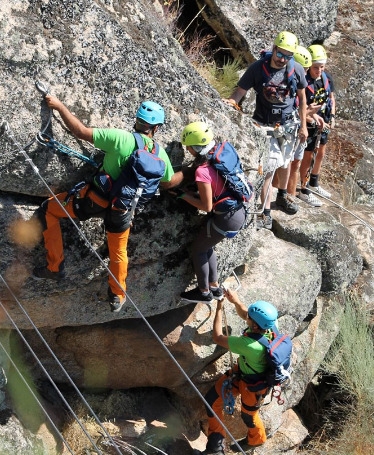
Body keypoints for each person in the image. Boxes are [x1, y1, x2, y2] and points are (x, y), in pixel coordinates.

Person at [33, 96, 183, 312]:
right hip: (123, 210)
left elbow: (81, 132)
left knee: (49, 209)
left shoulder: (120, 138)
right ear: (156, 128)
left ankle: (54, 266)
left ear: (137, 120)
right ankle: (117, 295)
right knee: (119, 251)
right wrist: (187, 172)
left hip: (93, 201)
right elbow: (169, 181)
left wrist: (59, 106)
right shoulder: (160, 155)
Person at [224, 31, 308, 230]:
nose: (282, 59)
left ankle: (282, 195)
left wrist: (304, 125)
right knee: (270, 167)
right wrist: (231, 102)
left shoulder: (296, 69)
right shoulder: (257, 68)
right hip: (263, 124)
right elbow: (240, 91)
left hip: (288, 124)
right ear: (274, 48)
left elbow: (303, 99)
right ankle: (265, 211)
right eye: (280, 54)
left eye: (288, 56)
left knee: (285, 163)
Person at [196, 289, 278, 455]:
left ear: (254, 325)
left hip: (254, 386)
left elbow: (218, 337)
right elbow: (246, 313)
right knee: (212, 401)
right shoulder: (270, 326)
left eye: (249, 317)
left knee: (249, 416)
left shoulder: (249, 345)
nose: (246, 316)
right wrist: (235, 301)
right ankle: (215, 447)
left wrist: (219, 309)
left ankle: (257, 439)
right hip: (242, 373)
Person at [174, 122, 247, 304]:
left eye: (188, 147)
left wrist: (183, 195)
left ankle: (203, 292)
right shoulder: (220, 154)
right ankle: (214, 287)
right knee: (207, 247)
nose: (187, 150)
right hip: (237, 212)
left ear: (195, 148)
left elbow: (206, 206)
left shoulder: (203, 171)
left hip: (226, 218)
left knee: (198, 249)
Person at [298, 44, 336, 206]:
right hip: (310, 123)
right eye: (315, 67)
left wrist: (332, 116)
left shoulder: (326, 78)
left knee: (320, 153)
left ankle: (314, 182)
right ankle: (303, 188)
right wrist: (311, 120)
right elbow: (299, 107)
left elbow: (331, 98)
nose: (318, 70)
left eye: (321, 67)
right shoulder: (304, 82)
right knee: (308, 155)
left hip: (324, 122)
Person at [287, 45, 321, 197]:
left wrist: (311, 114)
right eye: (305, 69)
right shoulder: (285, 85)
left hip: (300, 130)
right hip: (289, 130)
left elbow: (300, 107)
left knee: (295, 164)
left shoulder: (300, 84)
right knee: (287, 165)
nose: (306, 73)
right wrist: (309, 113)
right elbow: (289, 113)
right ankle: (284, 195)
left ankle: (291, 196)